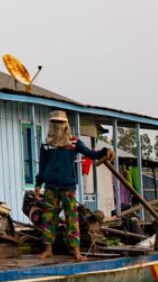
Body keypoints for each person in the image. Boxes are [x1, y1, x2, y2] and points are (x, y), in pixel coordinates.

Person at [34, 109, 114, 262]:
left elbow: (90, 153)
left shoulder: (73, 142)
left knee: (72, 219)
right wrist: (38, 184)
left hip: (68, 186)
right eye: (55, 123)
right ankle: (48, 249)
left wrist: (106, 150)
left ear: (66, 124)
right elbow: (42, 166)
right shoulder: (46, 144)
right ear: (51, 124)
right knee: (48, 219)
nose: (58, 126)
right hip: (51, 186)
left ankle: (76, 252)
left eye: (60, 123)